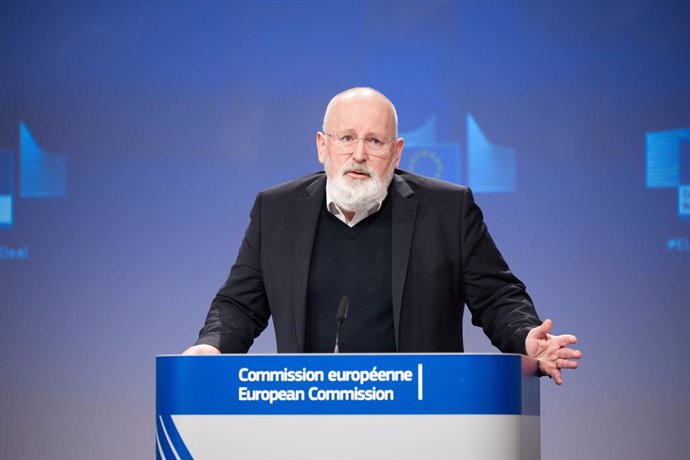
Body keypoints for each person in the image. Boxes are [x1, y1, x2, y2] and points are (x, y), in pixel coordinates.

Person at [184, 87, 581, 385]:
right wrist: (212, 346)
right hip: (310, 414)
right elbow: (240, 303)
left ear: (396, 152)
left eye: (375, 141)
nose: (359, 154)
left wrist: (527, 336)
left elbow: (497, 297)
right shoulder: (277, 210)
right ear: (322, 147)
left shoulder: (446, 210)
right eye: (346, 138)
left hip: (419, 414)